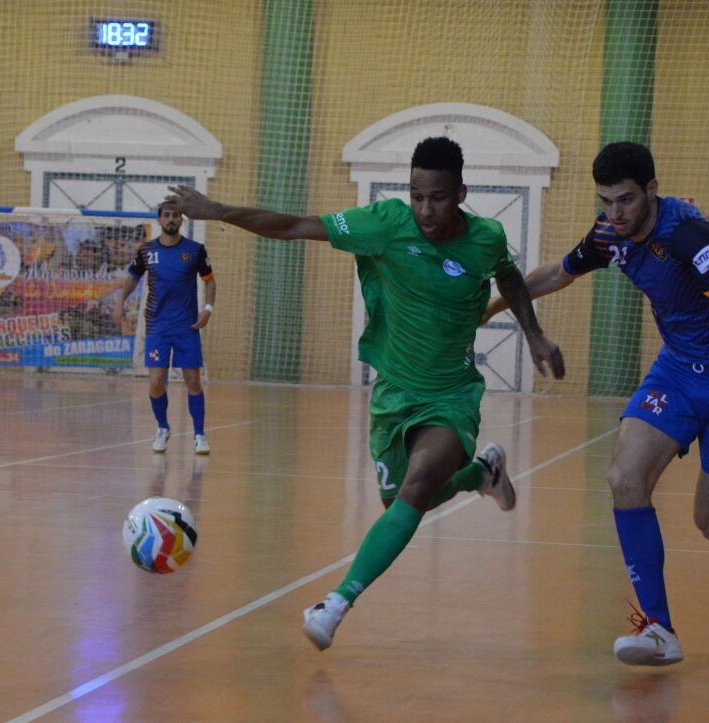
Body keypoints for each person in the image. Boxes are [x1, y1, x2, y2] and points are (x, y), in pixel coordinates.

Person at [166, 136, 566, 650]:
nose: (425, 209)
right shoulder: (384, 224)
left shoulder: (485, 238)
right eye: (417, 195)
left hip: (451, 393)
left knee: (418, 484)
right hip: (394, 394)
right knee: (397, 500)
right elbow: (293, 226)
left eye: (439, 197)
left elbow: (508, 277)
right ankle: (480, 475)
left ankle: (335, 603)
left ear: (461, 192)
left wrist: (533, 333)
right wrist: (218, 211)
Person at [482, 141, 709, 666]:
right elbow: (558, 273)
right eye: (607, 200)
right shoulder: (610, 233)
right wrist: (493, 307)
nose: (616, 213)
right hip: (678, 369)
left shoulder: (686, 235)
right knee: (624, 478)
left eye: (627, 200)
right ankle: (659, 628)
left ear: (652, 190)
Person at [119, 202, 216, 455]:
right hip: (157, 327)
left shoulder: (195, 250)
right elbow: (132, 277)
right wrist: (120, 302)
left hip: (187, 327)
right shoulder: (146, 251)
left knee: (193, 381)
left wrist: (207, 308)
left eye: (175, 215)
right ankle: (163, 428)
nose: (171, 219)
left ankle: (199, 435)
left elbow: (210, 281)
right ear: (159, 221)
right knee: (156, 383)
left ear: (181, 220)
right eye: (166, 215)